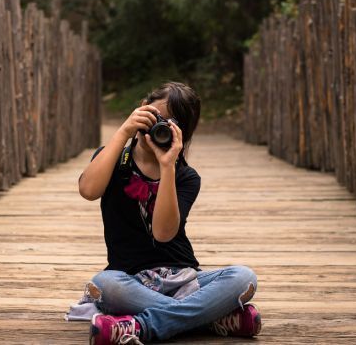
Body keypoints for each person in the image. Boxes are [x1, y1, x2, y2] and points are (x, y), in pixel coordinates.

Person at [77, 82, 261, 344]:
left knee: (244, 277)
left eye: (168, 124)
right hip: (129, 280)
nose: (156, 127)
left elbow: (163, 234)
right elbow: (88, 190)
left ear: (181, 134)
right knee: (105, 284)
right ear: (142, 108)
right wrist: (123, 132)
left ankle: (140, 326)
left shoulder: (185, 176)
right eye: (154, 116)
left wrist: (167, 167)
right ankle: (210, 318)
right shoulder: (114, 160)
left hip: (183, 279)